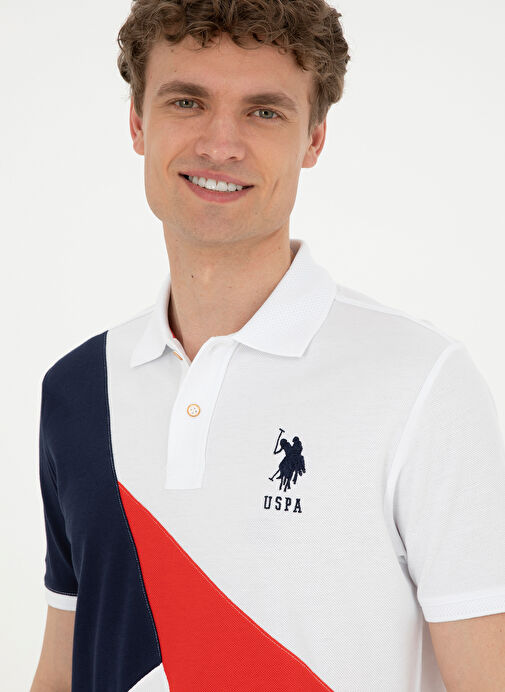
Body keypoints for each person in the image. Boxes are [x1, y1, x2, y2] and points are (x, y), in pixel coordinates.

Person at [31, 1, 505, 690]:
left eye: (263, 111)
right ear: (137, 122)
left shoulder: (420, 382)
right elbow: (62, 667)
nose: (220, 145)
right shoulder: (77, 390)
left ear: (314, 139)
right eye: (187, 101)